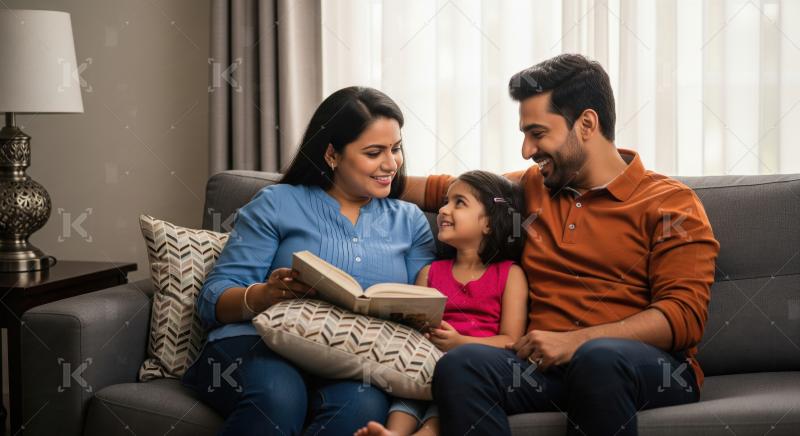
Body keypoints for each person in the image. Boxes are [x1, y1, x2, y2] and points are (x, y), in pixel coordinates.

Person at [400, 54, 720, 436]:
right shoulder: (533, 188)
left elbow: (682, 316)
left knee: (598, 358)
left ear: (586, 124)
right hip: (544, 371)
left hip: (647, 370)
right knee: (461, 364)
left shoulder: (671, 204)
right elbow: (448, 189)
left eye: (537, 133)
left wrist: (576, 341)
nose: (526, 150)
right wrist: (364, 175)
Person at [180, 86, 437, 436]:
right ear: (332, 154)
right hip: (257, 343)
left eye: (396, 149)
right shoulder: (277, 203)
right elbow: (212, 300)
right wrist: (263, 296)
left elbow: (423, 303)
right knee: (280, 397)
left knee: (364, 408)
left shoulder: (410, 222)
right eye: (374, 152)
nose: (391, 164)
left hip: (355, 357)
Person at [355, 171, 529, 436]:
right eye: (446, 201)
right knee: (410, 388)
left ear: (490, 223)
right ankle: (394, 433)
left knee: (451, 390)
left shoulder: (509, 275)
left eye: (459, 203)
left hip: (472, 370)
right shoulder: (430, 273)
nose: (444, 210)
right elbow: (410, 329)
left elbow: (511, 341)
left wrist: (459, 343)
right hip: (424, 363)